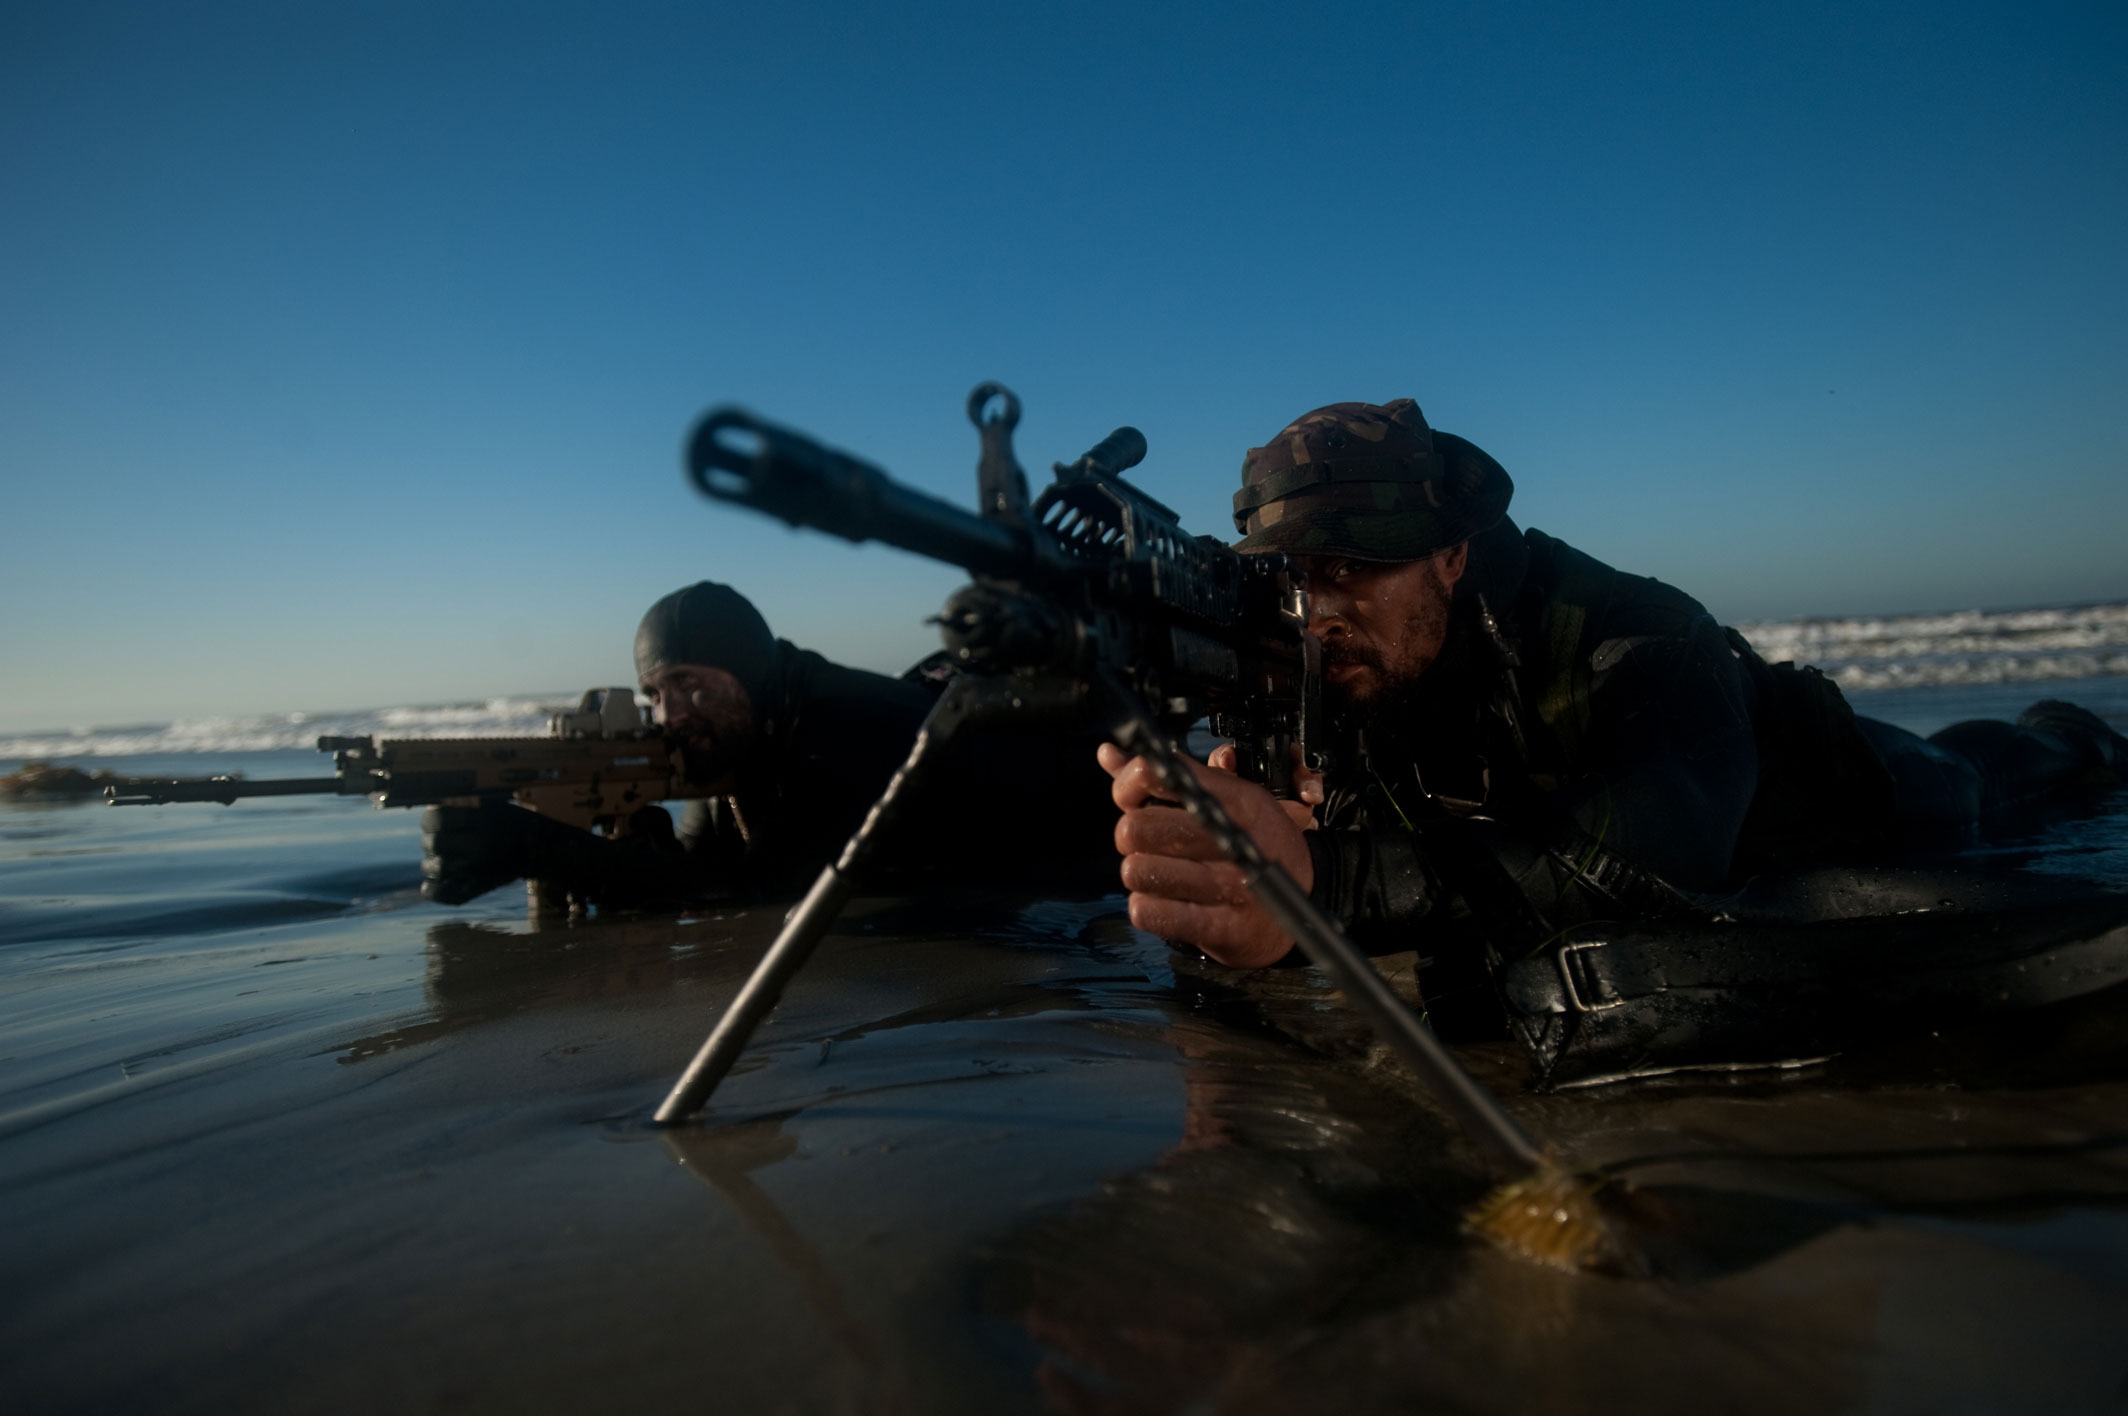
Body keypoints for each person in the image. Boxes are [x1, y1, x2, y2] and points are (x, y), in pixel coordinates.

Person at [1102, 399, 2128, 999]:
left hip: (1839, 795)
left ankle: (2079, 725)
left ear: (1451, 554)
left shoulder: (1622, 625)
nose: (1317, 611)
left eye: (1353, 572)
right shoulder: (1329, 657)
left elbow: (1673, 844)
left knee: (2017, 766)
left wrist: (1331, 880)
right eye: (1293, 581)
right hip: (1556, 829)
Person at [423, 580, 1112, 907]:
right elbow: (701, 867)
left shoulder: (836, 725)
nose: (672, 714)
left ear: (743, 670)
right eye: (656, 694)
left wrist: (543, 850)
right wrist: (622, 855)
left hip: (1089, 840)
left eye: (689, 685)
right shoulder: (746, 734)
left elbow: (765, 897)